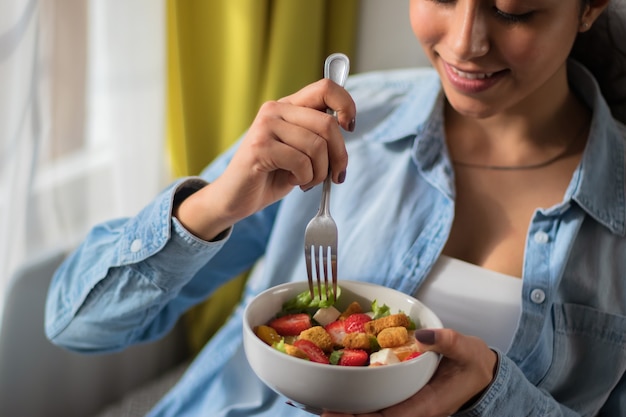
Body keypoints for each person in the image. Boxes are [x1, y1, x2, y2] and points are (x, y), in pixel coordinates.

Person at [45, 0, 626, 416]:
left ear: (589, 7)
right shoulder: (340, 125)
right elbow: (76, 326)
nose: (465, 42)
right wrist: (217, 202)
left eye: (515, 11)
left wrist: (494, 398)